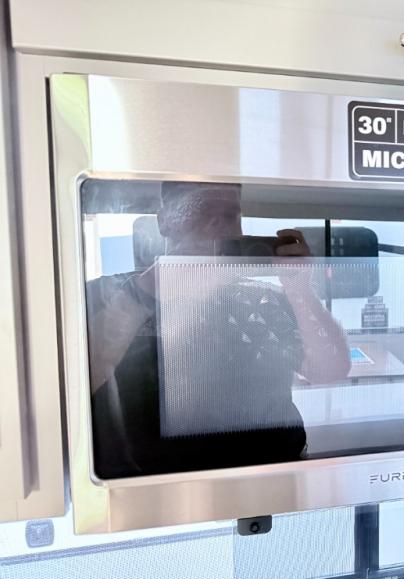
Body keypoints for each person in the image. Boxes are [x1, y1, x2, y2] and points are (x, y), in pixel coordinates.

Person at [86, 182, 351, 478]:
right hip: (148, 483)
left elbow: (330, 370)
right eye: (200, 210)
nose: (217, 224)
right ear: (164, 221)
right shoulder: (104, 294)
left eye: (230, 215)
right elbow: (74, 385)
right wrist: (153, 285)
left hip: (275, 473)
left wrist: (300, 287)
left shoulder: (266, 299)